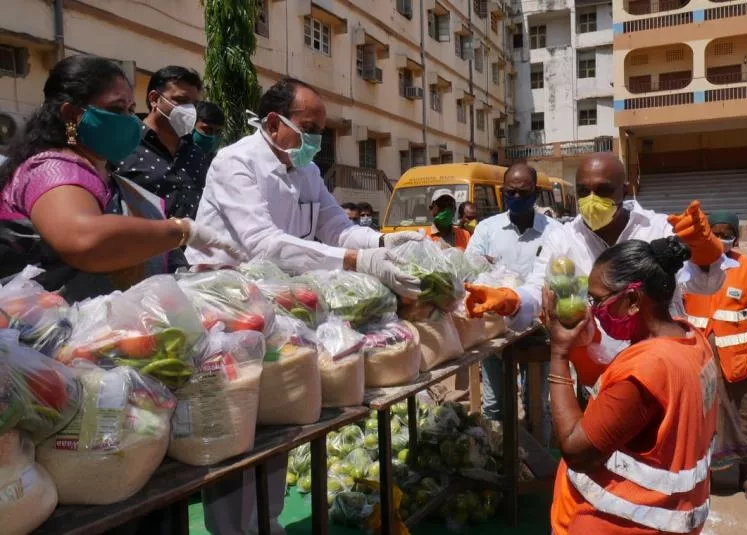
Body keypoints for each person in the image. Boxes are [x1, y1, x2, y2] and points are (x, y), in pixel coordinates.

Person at [187, 77, 421, 535]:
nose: (317, 140)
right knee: (236, 428)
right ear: (274, 124)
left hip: (282, 306)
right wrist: (358, 259)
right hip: (226, 309)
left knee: (279, 420)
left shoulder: (307, 171)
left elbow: (336, 228)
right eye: (308, 128)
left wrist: (387, 243)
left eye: (321, 130)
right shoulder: (234, 163)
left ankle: (267, 523)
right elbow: (263, 246)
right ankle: (229, 531)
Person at [464, 153, 727, 388]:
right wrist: (513, 300)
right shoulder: (563, 238)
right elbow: (539, 288)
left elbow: (705, 285)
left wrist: (705, 250)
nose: (592, 201)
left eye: (603, 190)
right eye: (583, 191)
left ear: (624, 191)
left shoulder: (659, 229)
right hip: (600, 375)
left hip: (666, 369)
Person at [0, 55, 238, 302]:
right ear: (71, 115)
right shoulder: (52, 171)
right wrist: (181, 230)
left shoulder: (105, 174)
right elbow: (86, 241)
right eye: (116, 109)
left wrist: (190, 279)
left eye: (130, 109)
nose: (129, 120)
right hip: (43, 330)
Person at [546, 236, 718, 534]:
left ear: (634, 300)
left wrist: (559, 353)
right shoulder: (691, 339)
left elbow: (577, 453)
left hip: (618, 523)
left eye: (599, 300)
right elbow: (621, 403)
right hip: (670, 516)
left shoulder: (647, 369)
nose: (594, 310)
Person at [683, 210, 747, 504]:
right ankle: (702, 477)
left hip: (738, 361)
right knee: (698, 419)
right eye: (717, 233)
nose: (723, 240)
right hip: (696, 361)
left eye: (728, 234)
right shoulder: (687, 269)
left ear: (737, 237)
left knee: (743, 416)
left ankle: (745, 476)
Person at [465, 163, 560, 437]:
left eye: (523, 192)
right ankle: (500, 461)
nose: (516, 198)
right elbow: (471, 268)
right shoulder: (487, 229)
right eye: (510, 192)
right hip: (495, 327)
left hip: (538, 328)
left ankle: (538, 464)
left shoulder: (553, 231)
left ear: (536, 193)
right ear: (502, 192)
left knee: (538, 403)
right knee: (495, 404)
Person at [116, 66, 208, 220]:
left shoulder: (197, 155)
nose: (189, 109)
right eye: (181, 100)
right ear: (154, 99)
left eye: (195, 104)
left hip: (189, 242)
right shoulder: (122, 144)